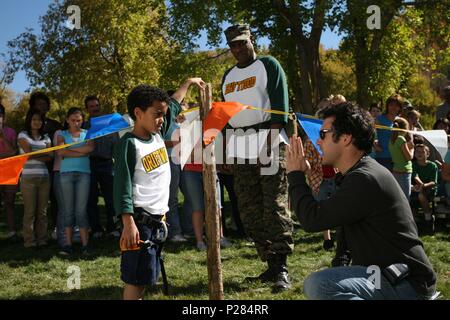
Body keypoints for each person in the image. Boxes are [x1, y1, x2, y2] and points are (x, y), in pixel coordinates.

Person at [286, 101, 437, 300]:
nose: (318, 141)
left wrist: (295, 175)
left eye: (323, 134)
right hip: (387, 275)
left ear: (346, 138)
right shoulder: (358, 173)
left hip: (406, 283)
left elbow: (312, 219)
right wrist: (341, 260)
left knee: (319, 284)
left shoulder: (364, 178)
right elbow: (345, 222)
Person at [221, 23, 294, 292]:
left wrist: (271, 142)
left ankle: (282, 267)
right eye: (233, 45)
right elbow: (227, 118)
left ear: (252, 40)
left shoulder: (269, 65)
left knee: (273, 204)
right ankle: (270, 263)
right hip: (240, 145)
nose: (238, 48)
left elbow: (279, 107)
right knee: (249, 209)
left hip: (268, 139)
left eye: (242, 42)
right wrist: (227, 149)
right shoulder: (228, 76)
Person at [114, 85, 171, 300]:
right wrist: (128, 224)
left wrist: (188, 83)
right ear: (138, 113)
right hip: (139, 223)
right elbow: (122, 187)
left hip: (157, 221)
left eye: (163, 115)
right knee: (135, 281)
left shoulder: (157, 136)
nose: (162, 120)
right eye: (157, 114)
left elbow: (172, 105)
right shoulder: (128, 144)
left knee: (145, 277)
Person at [163, 78, 206, 242]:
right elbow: (159, 141)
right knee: (172, 198)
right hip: (170, 160)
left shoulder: (185, 121)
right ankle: (175, 232)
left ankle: (189, 230)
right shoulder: (165, 122)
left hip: (186, 163)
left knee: (191, 198)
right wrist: (175, 142)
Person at [57, 108, 94, 256]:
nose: (76, 123)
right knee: (68, 211)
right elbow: (60, 152)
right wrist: (82, 150)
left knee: (81, 211)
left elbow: (90, 148)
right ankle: (68, 245)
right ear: (67, 120)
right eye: (73, 120)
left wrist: (70, 151)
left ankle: (85, 245)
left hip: (84, 174)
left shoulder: (88, 133)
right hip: (65, 174)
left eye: (79, 120)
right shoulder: (62, 134)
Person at [83, 96, 120, 238]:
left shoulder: (110, 125)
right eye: (91, 106)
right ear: (87, 109)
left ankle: (113, 227)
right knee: (91, 198)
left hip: (107, 164)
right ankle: (96, 228)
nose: (95, 108)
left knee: (111, 198)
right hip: (89, 164)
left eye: (97, 105)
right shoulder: (84, 126)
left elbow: (116, 146)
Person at [17, 110, 52, 248]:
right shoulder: (22, 135)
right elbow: (27, 154)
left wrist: (35, 154)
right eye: (34, 119)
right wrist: (42, 153)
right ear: (29, 121)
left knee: (42, 212)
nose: (37, 122)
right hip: (28, 177)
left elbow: (50, 157)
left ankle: (42, 240)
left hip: (44, 177)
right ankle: (29, 241)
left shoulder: (47, 138)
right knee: (30, 211)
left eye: (39, 120)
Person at [0, 104, 18, 240]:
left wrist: (2, 137)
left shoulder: (11, 132)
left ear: (4, 117)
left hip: (9, 169)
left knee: (10, 201)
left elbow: (13, 152)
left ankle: (12, 232)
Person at [411, 144, 439, 234]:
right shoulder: (413, 164)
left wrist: (423, 186)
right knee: (412, 196)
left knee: (421, 196)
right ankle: (413, 224)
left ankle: (429, 220)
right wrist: (420, 185)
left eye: (422, 152)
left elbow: (433, 182)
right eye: (417, 151)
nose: (419, 153)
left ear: (427, 154)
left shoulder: (432, 166)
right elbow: (415, 176)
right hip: (417, 188)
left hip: (430, 189)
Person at [373, 94, 403, 171]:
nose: (394, 108)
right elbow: (368, 133)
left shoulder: (401, 121)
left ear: (400, 107)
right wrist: (374, 144)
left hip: (398, 160)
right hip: (383, 158)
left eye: (397, 105)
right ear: (387, 106)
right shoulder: (379, 119)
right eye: (391, 105)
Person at [388, 117, 414, 200]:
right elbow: (409, 157)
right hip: (404, 172)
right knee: (406, 199)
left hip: (396, 170)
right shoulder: (401, 139)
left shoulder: (392, 140)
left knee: (397, 198)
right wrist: (412, 148)